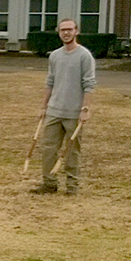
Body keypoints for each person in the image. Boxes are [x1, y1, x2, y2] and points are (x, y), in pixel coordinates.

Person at [31, 18, 96, 196]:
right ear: (58, 32)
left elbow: (89, 84)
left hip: (74, 113)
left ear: (76, 31)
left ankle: (72, 187)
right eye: (62, 30)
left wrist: (85, 109)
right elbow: (50, 81)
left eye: (69, 29)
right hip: (54, 111)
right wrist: (44, 106)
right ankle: (49, 184)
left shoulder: (84, 56)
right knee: (48, 149)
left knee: (72, 152)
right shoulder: (55, 56)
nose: (66, 33)